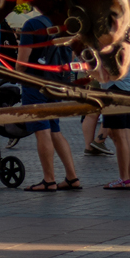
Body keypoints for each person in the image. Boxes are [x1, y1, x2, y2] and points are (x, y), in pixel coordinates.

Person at [18, 12, 82, 191]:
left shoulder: (32, 25)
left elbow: (22, 62)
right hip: (57, 83)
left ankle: (49, 179)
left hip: (35, 83)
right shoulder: (66, 26)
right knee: (55, 130)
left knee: (42, 130)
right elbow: (70, 58)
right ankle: (72, 177)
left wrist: (15, 73)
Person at [97, 35, 130, 190]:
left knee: (120, 136)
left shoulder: (116, 43)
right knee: (127, 134)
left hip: (115, 90)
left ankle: (124, 178)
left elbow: (113, 73)